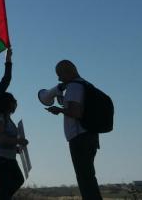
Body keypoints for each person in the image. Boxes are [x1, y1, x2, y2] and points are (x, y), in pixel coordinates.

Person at [45, 60, 103, 199]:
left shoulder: (74, 87)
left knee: (85, 179)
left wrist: (59, 110)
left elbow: (76, 112)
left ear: (68, 72)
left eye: (60, 74)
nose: (59, 79)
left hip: (79, 138)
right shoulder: (86, 84)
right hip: (90, 136)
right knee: (88, 176)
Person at [0, 93, 28, 200]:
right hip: (2, 160)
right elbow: (0, 138)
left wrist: (15, 148)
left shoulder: (7, 118)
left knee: (16, 181)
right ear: (8, 103)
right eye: (13, 101)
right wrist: (18, 140)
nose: (15, 104)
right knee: (7, 186)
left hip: (9, 158)